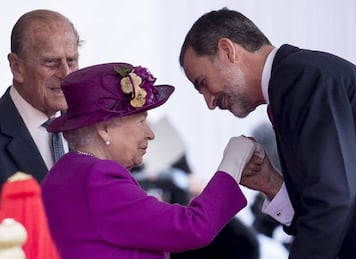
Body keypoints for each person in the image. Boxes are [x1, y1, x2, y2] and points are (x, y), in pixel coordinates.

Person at [179, 7, 356, 259]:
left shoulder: (299, 78)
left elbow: (333, 200)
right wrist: (271, 184)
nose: (209, 102)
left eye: (202, 83)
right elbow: (329, 198)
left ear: (228, 51)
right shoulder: (295, 78)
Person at [41, 62, 261, 259]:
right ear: (105, 128)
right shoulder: (98, 178)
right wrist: (233, 163)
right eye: (141, 122)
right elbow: (191, 227)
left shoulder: (64, 172)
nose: (150, 134)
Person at [0, 9, 81, 186]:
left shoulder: (88, 125)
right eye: (51, 62)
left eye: (71, 61)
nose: (66, 74)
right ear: (16, 67)